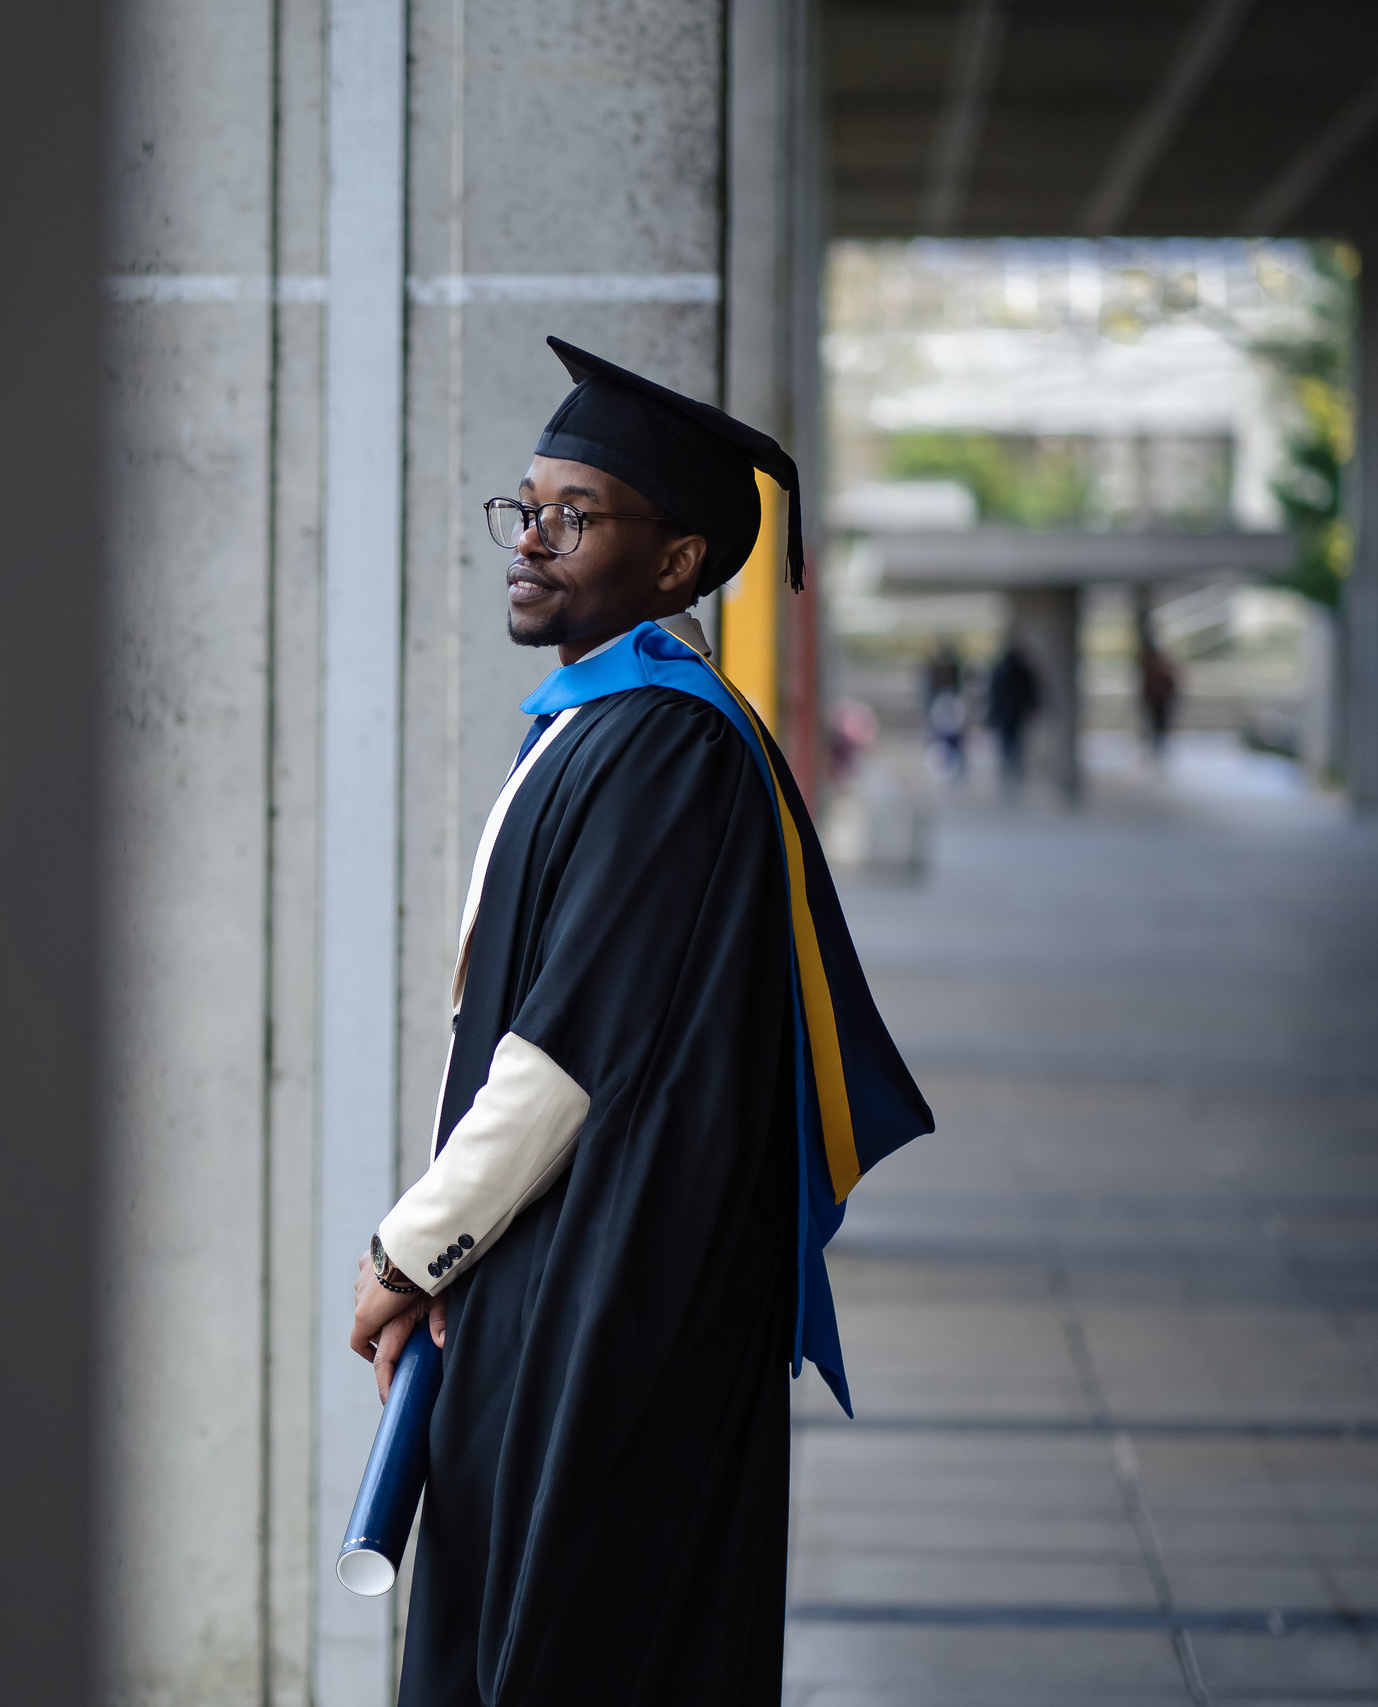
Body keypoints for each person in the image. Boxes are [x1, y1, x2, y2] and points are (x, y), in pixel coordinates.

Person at [346, 338, 932, 1706]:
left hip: (609, 1292)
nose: (531, 538)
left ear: (678, 562)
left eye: (576, 514)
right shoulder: (608, 725)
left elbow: (558, 1064)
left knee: (584, 1640)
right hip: (571, 1273)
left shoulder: (664, 743)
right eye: (525, 508)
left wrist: (406, 1248)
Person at [984, 637, 1041, 794]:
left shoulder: (1004, 669)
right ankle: (1011, 766)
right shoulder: (1014, 669)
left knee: (1010, 740)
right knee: (1011, 740)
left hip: (1009, 712)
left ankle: (1011, 766)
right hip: (1010, 711)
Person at [920, 637, 967, 780]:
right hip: (943, 707)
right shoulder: (941, 670)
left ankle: (953, 767)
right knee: (941, 739)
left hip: (947, 707)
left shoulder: (949, 669)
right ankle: (945, 766)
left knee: (949, 739)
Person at [1139, 637, 1179, 765]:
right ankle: (1157, 746)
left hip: (1160, 700)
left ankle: (1158, 747)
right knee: (1157, 724)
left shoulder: (1159, 668)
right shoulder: (1153, 668)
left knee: (1159, 725)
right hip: (1156, 700)